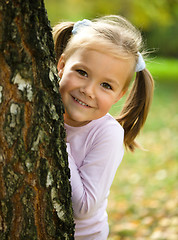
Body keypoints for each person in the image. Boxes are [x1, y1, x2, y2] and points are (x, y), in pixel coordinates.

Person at [53, 15, 154, 240]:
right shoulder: (40, 106)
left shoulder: (107, 133)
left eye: (106, 85)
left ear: (120, 95)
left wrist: (58, 139)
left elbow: (83, 208)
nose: (88, 90)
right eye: (82, 72)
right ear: (61, 65)